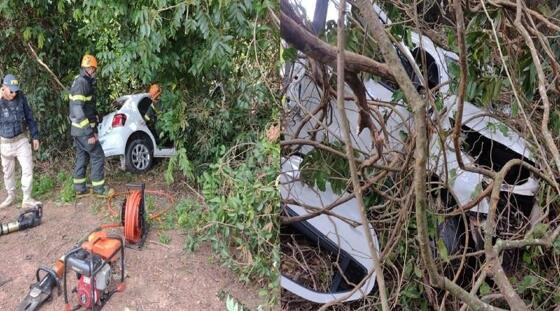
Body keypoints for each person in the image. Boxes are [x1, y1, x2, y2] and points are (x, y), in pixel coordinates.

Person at [69, 54, 113, 198]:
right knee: (98, 155)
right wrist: (89, 133)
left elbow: (85, 107)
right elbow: (77, 110)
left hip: (77, 130)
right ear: (90, 69)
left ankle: (80, 188)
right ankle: (99, 189)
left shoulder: (81, 81)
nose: (95, 72)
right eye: (94, 69)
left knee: (82, 156)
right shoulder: (82, 83)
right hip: (83, 131)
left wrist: (95, 116)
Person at [0, 74, 41, 209]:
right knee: (8, 172)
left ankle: (27, 198)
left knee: (28, 168)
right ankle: (11, 195)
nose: (14, 93)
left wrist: (35, 136)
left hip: (20, 139)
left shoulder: (21, 98)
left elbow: (30, 117)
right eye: (11, 90)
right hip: (5, 142)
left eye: (16, 90)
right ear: (3, 88)